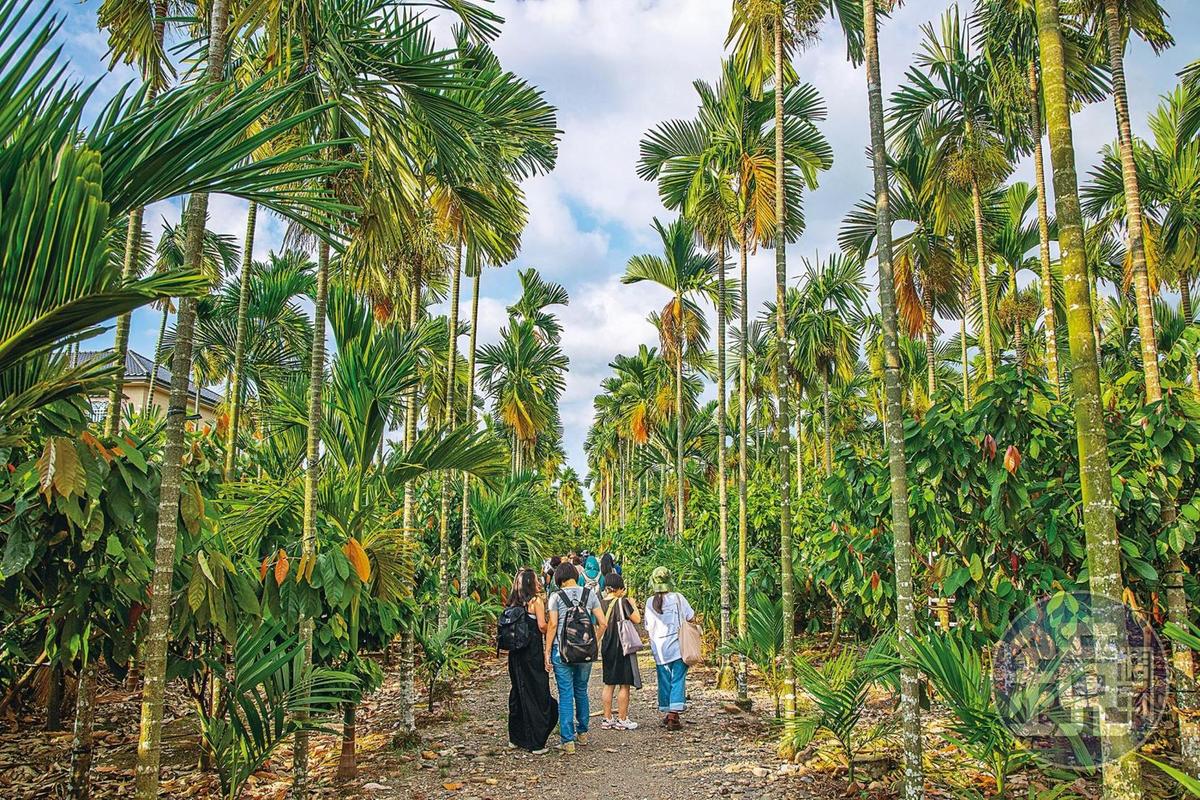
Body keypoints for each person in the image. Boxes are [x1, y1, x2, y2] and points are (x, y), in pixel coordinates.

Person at [544, 561, 607, 753]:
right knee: (581, 690)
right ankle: (583, 733)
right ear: (575, 575)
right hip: (585, 652)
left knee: (565, 693)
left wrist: (547, 651)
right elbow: (602, 623)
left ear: (559, 579)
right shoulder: (589, 594)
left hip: (561, 652)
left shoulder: (555, 597)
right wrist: (593, 642)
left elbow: (553, 625)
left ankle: (567, 740)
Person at [504, 569, 557, 753]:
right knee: (537, 692)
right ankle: (536, 741)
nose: (539, 582)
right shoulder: (536, 601)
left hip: (515, 654)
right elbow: (542, 626)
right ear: (530, 583)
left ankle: (516, 737)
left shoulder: (512, 602)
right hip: (532, 652)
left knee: (518, 690)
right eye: (536, 580)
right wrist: (551, 626)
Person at [642, 566, 694, 731]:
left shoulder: (650, 602)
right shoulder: (678, 598)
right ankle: (673, 714)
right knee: (678, 679)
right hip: (679, 647)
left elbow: (648, 626)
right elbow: (691, 617)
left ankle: (669, 711)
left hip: (660, 648)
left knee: (664, 681)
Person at [599, 572, 641, 730]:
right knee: (624, 685)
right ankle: (622, 719)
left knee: (608, 683)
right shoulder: (623, 602)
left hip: (607, 645)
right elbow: (636, 619)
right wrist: (634, 604)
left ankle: (607, 718)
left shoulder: (601, 603)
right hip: (623, 646)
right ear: (618, 588)